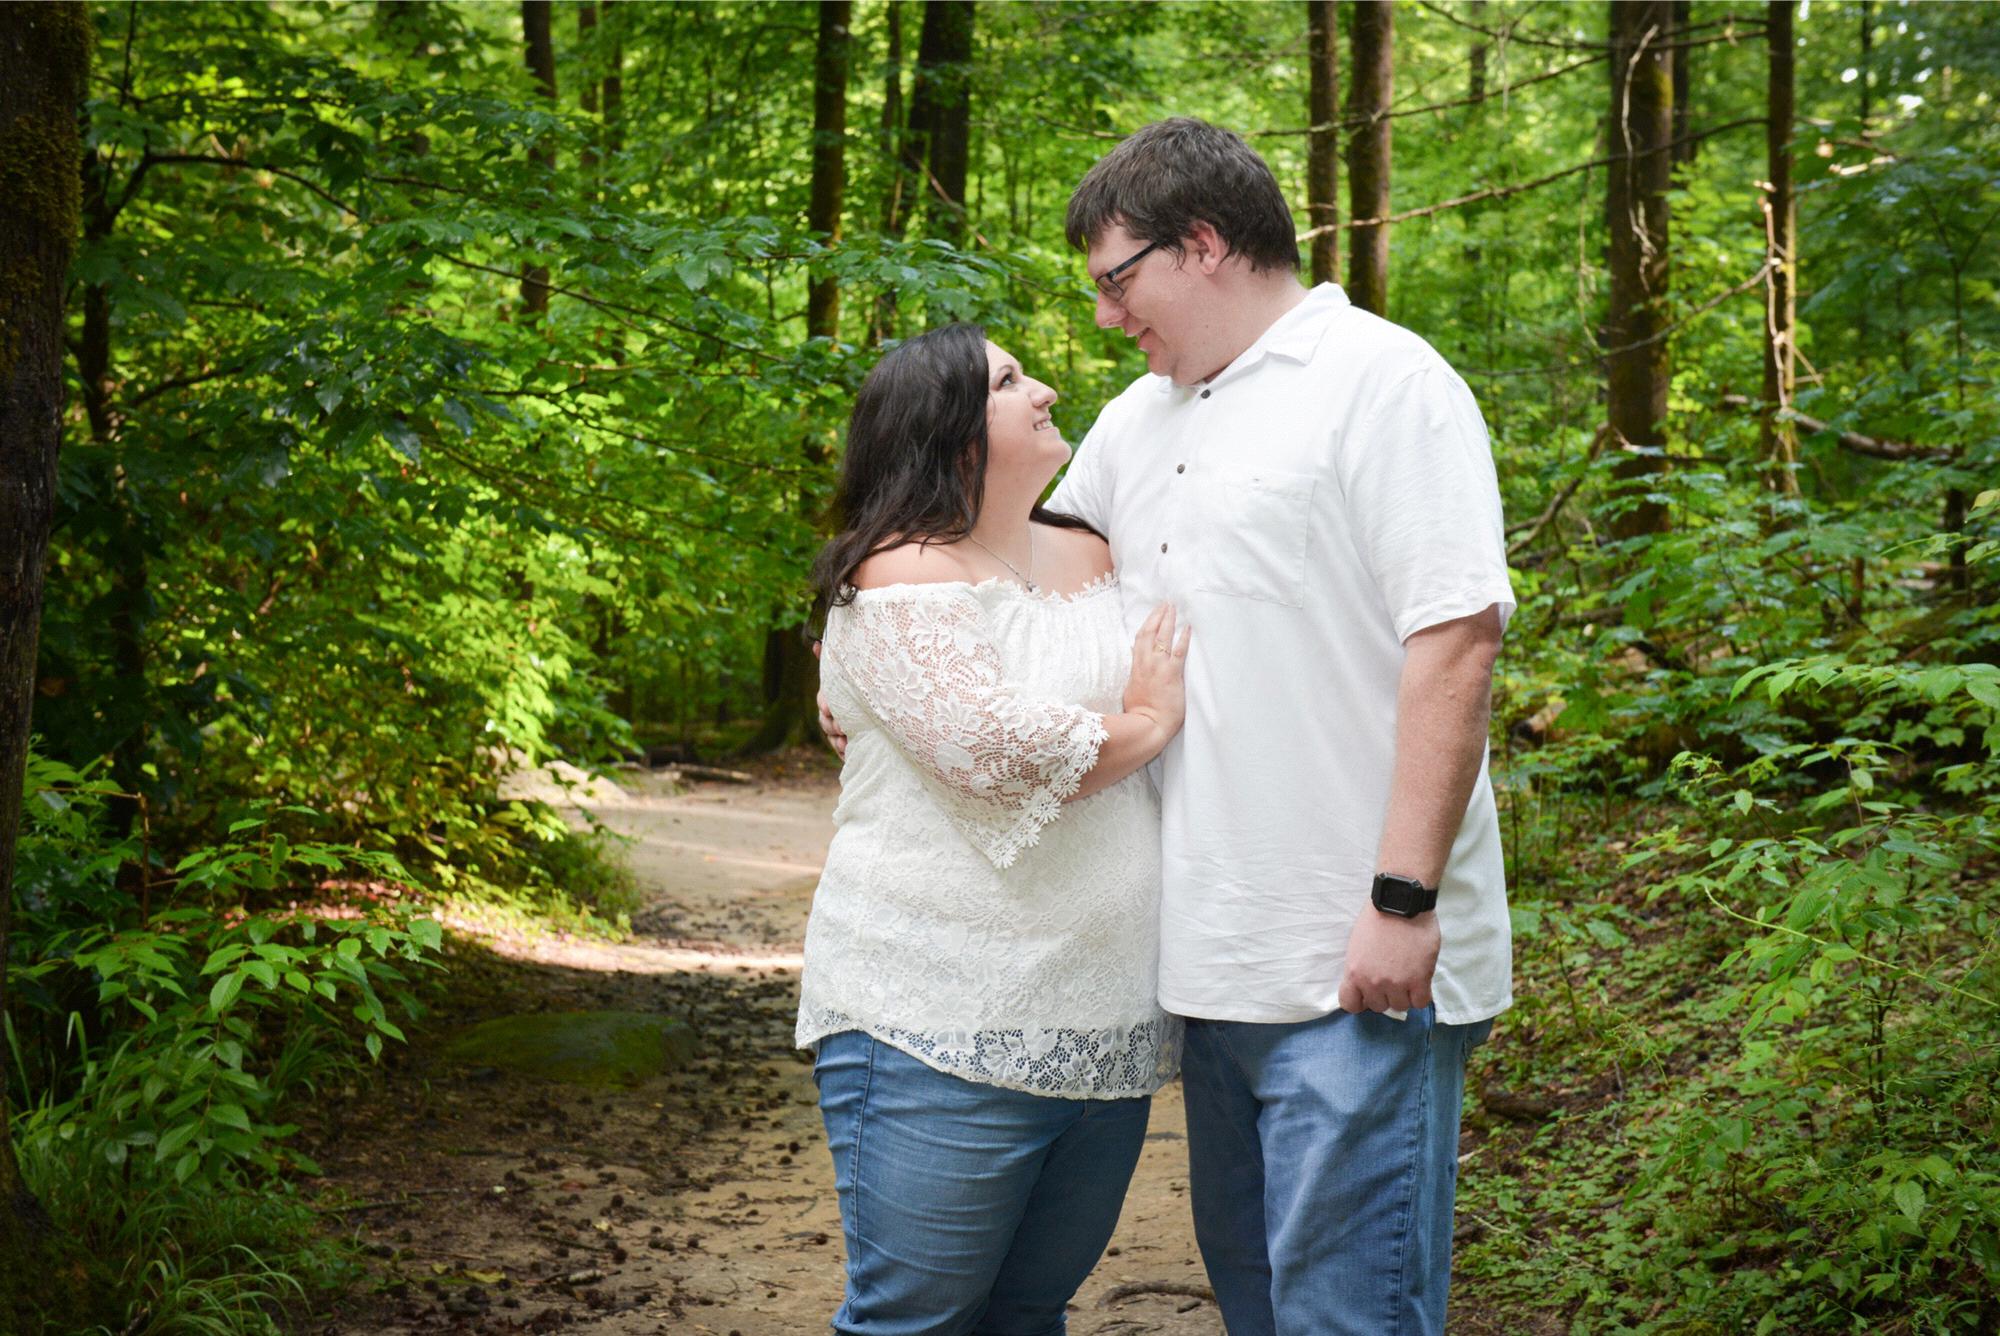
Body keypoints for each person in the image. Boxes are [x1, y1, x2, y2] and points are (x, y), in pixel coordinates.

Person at [1040, 117, 1516, 1336]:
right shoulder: (1133, 420)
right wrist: (873, 636)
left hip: (1355, 968)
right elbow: (1025, 582)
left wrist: (1401, 899)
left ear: (1201, 243)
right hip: (1204, 965)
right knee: (1258, 1310)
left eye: (1116, 280)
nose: (1104, 315)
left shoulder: (1384, 383)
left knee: (1347, 1318)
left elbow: (1455, 643)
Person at [796, 322, 1192, 1336]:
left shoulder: (1094, 549)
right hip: (933, 1013)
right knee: (916, 1320)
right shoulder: (898, 574)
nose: (1044, 387)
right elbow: (992, 749)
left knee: (1026, 1314)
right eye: (1009, 381)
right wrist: (1147, 723)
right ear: (948, 432)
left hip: (1101, 1019)